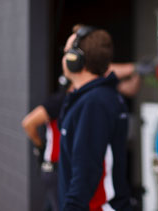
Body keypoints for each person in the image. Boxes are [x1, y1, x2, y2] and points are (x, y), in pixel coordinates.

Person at [58, 25, 132, 210]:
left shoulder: (94, 103)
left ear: (76, 59)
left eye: (67, 52)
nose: (64, 58)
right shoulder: (93, 98)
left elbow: (86, 169)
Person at [22, 75, 72, 211]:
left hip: (60, 168)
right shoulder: (60, 101)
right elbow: (28, 123)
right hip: (56, 168)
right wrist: (40, 145)